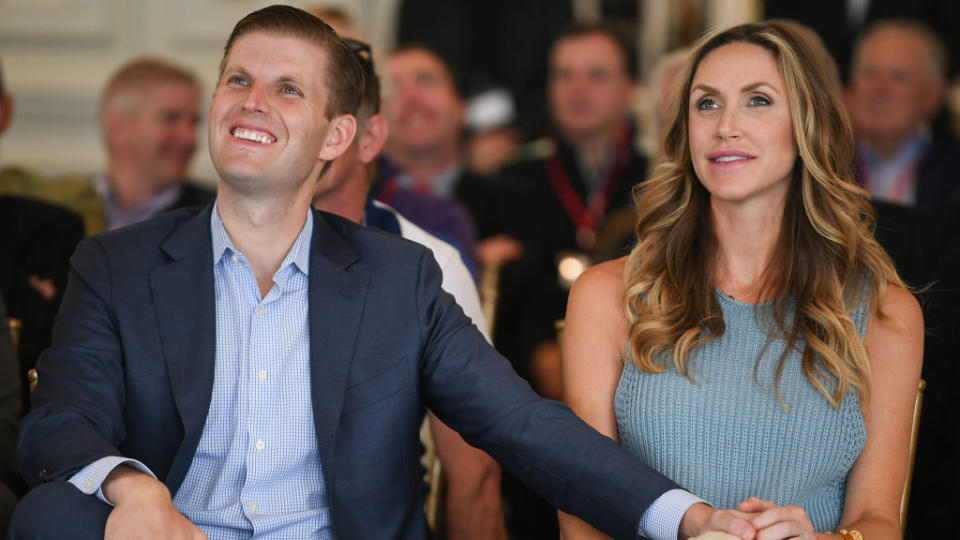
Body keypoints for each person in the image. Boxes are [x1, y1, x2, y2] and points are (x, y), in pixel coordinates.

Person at [11, 6, 757, 540]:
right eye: (237, 80)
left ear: (338, 136)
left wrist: (688, 518)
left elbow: (526, 427)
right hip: (173, 532)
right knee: (50, 514)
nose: (252, 102)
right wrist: (132, 488)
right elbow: (61, 421)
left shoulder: (399, 278)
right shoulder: (117, 262)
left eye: (287, 89)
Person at [559, 21, 923, 540]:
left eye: (758, 101)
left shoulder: (885, 313)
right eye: (706, 104)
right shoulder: (606, 296)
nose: (725, 125)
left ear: (806, 124)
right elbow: (581, 515)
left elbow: (879, 521)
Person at [311, 36, 507, 540]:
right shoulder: (205, 250)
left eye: (338, 116)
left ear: (371, 137)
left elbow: (474, 473)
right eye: (297, 101)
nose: (314, 130)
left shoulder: (431, 264)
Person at [0, 57, 214, 235]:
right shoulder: (56, 204)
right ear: (117, 127)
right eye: (171, 118)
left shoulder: (213, 219)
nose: (189, 138)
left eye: (194, 122)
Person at [846, 20, 960, 217]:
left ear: (933, 94)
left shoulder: (954, 171)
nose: (881, 89)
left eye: (899, 77)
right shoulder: (825, 164)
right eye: (870, 74)